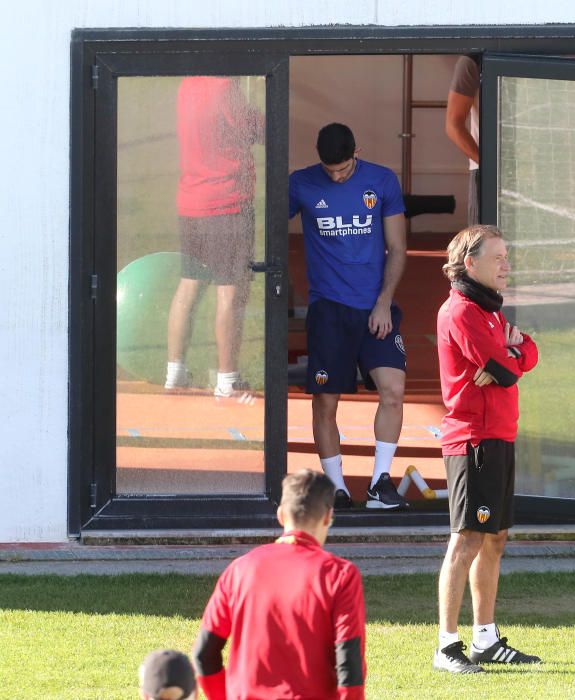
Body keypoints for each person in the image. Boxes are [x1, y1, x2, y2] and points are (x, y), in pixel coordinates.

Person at [433, 224, 541, 673]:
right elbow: (505, 367)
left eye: (506, 255)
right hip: (472, 439)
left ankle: (485, 639)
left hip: (500, 434)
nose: (506, 265)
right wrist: (507, 358)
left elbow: (527, 353)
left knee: (495, 538)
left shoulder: (491, 311)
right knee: (467, 539)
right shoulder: (460, 311)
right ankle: (446, 646)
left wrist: (510, 355)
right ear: (470, 264)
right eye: (497, 257)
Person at [289, 123, 408, 510]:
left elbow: (398, 248)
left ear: (356, 152)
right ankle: (336, 488)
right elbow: (267, 229)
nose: (336, 176)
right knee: (325, 402)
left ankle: (379, 483)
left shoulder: (382, 181)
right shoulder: (301, 184)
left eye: (342, 169)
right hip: (329, 310)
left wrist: (384, 301)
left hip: (375, 308)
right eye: (329, 171)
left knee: (392, 390)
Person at [192, 469, 366, 699]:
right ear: (327, 516)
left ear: (281, 515)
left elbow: (204, 655)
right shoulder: (340, 575)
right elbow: (349, 665)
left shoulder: (240, 569)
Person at [165, 76, 264, 402]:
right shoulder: (225, 87)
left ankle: (175, 371)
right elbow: (255, 130)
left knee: (189, 282)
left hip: (191, 199)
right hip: (227, 201)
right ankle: (228, 381)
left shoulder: (187, 85)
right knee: (230, 291)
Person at [446, 55, 480, 225]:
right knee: (483, 246)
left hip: (535, 166)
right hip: (486, 172)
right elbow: (453, 125)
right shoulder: (472, 61)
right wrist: (490, 167)